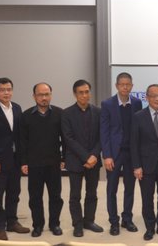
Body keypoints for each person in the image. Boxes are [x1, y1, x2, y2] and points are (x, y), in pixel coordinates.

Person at [0, 77, 30, 240]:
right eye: (2, 90)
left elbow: (19, 136)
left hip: (15, 160)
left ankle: (12, 221)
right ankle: (0, 226)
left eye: (9, 89)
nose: (6, 93)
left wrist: (23, 160)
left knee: (14, 192)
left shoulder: (16, 108)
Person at [131, 84, 158, 241]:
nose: (157, 98)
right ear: (147, 97)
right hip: (145, 165)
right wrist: (136, 166)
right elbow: (134, 144)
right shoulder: (138, 116)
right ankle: (149, 228)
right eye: (153, 95)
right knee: (147, 198)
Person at [100, 72, 142, 235]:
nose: (125, 87)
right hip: (114, 154)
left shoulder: (137, 103)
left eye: (128, 84)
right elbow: (104, 131)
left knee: (130, 188)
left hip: (131, 153)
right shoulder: (107, 104)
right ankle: (114, 222)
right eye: (122, 84)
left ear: (131, 86)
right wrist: (107, 155)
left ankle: (127, 219)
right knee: (112, 189)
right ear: (116, 86)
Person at [20, 83, 65, 237]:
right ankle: (37, 225)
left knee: (56, 197)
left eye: (47, 94)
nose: (44, 98)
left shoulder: (59, 114)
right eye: (40, 94)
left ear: (51, 95)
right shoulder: (25, 116)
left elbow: (65, 139)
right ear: (34, 96)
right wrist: (23, 162)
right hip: (34, 164)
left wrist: (63, 157)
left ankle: (55, 224)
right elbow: (22, 142)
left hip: (53, 163)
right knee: (35, 198)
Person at [61, 79, 103, 237]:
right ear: (75, 94)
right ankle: (77, 224)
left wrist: (94, 155)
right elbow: (68, 138)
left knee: (92, 193)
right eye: (81, 92)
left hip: (94, 161)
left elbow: (102, 137)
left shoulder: (98, 112)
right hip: (75, 161)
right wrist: (87, 157)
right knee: (75, 195)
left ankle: (89, 221)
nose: (84, 95)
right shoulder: (66, 113)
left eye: (87, 92)